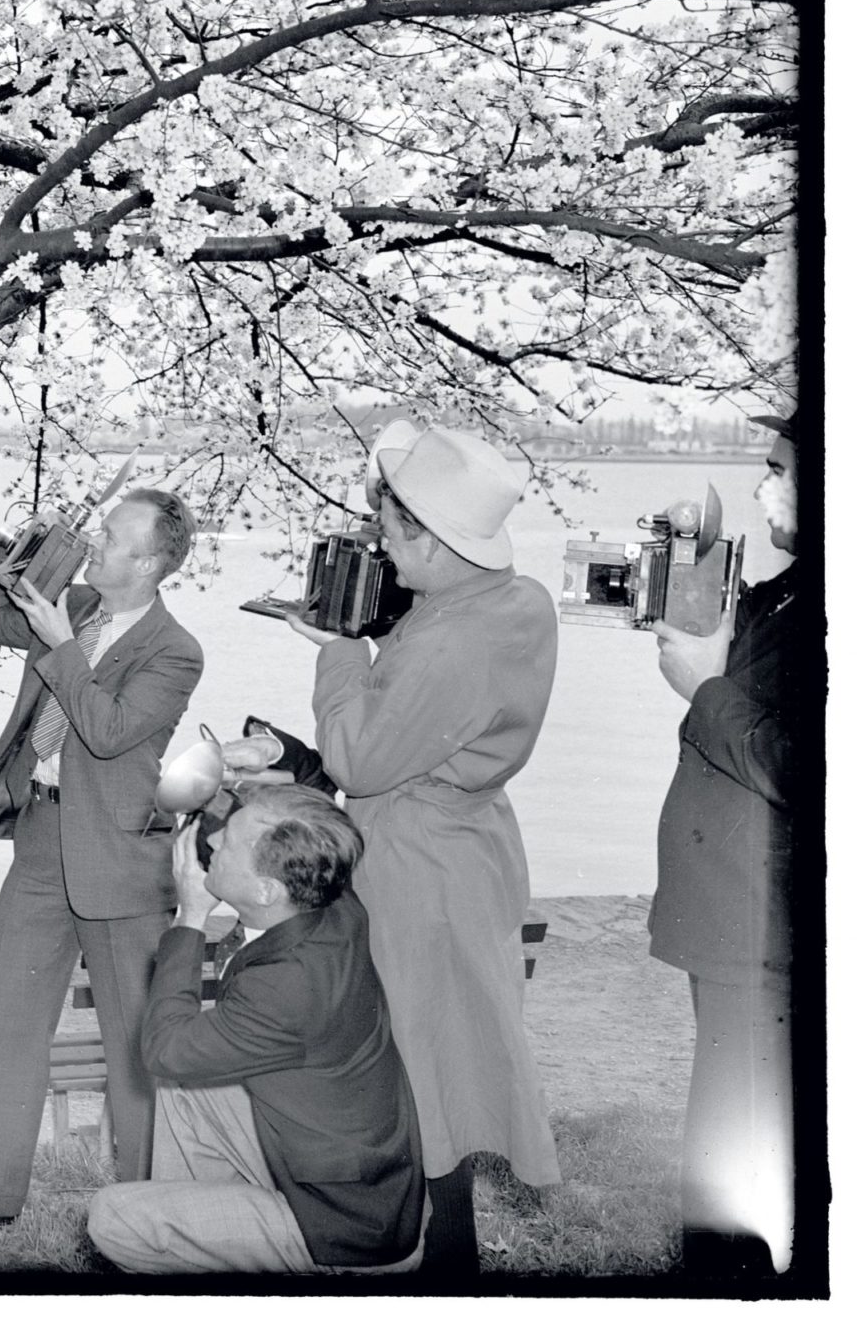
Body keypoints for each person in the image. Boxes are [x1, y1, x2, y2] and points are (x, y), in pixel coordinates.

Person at [268, 423, 561, 1276]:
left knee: (420, 1064)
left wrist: (339, 655)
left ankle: (438, 1261)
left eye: (395, 539)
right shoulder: (515, 601)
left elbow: (362, 758)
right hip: (469, 846)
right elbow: (417, 728)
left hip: (417, 864)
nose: (386, 558)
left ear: (436, 540)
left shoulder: (447, 634)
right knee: (449, 1054)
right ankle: (443, 1252)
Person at [0, 488, 206, 1237]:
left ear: (150, 561)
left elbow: (109, 729)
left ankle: (152, 1206)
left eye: (111, 536)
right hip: (39, 842)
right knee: (6, 1027)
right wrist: (32, 555)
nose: (97, 540)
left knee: (134, 1049)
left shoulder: (173, 649)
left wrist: (61, 643)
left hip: (121, 862)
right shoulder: (78, 600)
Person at [87, 785, 426, 1275]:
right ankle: (211, 1232)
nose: (216, 839)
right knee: (187, 1086)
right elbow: (309, 804)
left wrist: (190, 917)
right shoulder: (334, 902)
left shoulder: (286, 987)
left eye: (227, 842)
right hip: (356, 1175)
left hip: (341, 1227)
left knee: (115, 1218)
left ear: (267, 891)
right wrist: (221, 788)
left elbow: (162, 1048)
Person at [647, 410, 808, 1277]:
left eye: (780, 470)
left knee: (736, 1153)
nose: (762, 486)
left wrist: (706, 688)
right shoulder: (789, 590)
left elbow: (805, 768)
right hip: (735, 925)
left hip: (768, 934)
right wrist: (690, 564)